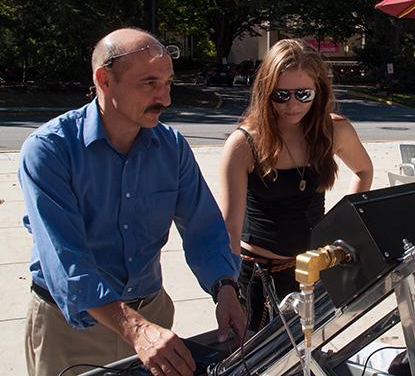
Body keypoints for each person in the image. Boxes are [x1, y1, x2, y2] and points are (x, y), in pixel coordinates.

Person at [19, 28, 246, 376]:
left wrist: (225, 288)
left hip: (152, 315)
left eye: (168, 83)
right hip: (73, 328)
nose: (165, 98)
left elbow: (203, 228)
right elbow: (66, 262)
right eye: (150, 83)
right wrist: (135, 329)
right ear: (104, 80)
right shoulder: (49, 150)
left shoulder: (171, 148)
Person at [219, 39, 373, 332]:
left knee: (313, 349)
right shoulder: (243, 144)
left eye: (303, 94)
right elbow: (230, 227)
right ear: (266, 92)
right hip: (258, 275)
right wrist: (227, 290)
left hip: (313, 269)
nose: (292, 106)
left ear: (319, 91)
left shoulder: (334, 131)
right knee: (259, 358)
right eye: (281, 95)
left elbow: (364, 170)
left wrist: (344, 227)